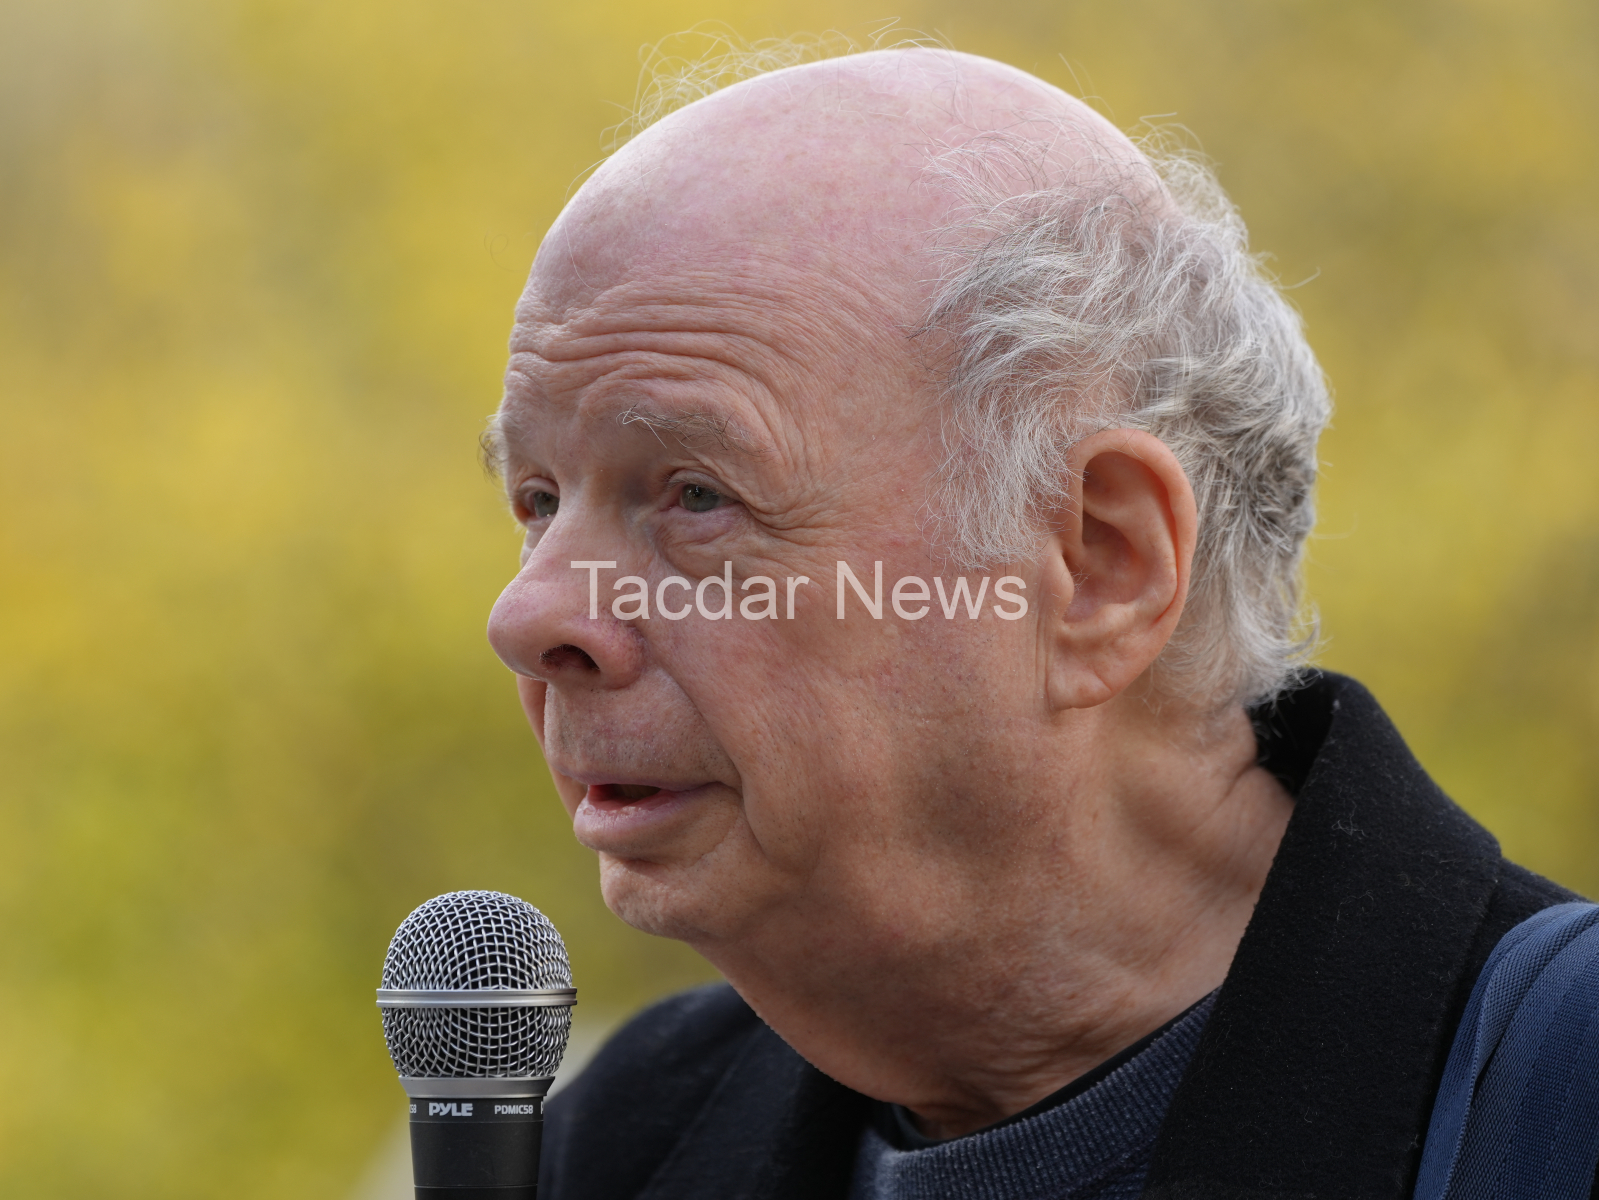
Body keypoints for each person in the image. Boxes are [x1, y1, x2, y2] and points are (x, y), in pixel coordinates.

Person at [482, 45, 1584, 1200]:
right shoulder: (616, 1143)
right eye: (538, 501)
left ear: (1101, 565)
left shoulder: (1558, 1101)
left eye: (696, 495)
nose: (530, 614)